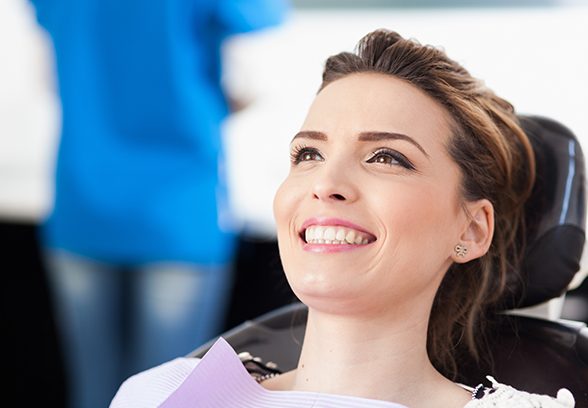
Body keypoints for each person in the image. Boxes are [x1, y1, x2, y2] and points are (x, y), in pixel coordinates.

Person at [109, 29, 575, 407]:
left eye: (387, 157)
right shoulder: (157, 392)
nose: (325, 183)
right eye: (308, 153)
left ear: (471, 230)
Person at [27, 1, 289, 408]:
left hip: (83, 201)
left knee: (95, 390)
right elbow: (254, 70)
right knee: (169, 396)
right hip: (180, 211)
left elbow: (49, 77)